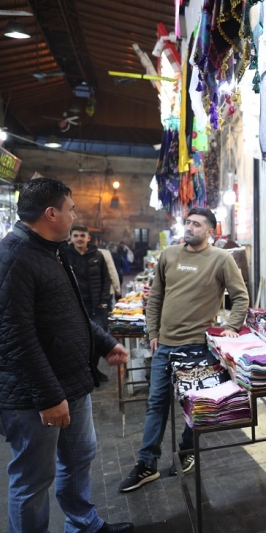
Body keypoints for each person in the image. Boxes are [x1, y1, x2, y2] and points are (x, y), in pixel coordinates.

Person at [0, 177, 133, 533]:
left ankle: (83, 523)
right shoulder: (14, 258)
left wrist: (105, 343)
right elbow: (16, 339)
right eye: (71, 209)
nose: (75, 217)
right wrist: (48, 397)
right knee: (32, 481)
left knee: (80, 457)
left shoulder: (51, 251)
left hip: (70, 385)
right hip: (35, 398)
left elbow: (71, 314)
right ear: (51, 213)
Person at [118, 207, 249, 492]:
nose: (189, 228)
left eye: (197, 224)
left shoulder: (221, 259)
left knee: (195, 405)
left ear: (210, 231)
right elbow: (155, 299)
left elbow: (241, 297)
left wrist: (232, 325)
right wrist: (152, 332)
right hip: (165, 344)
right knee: (156, 404)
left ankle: (188, 450)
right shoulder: (169, 255)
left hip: (198, 347)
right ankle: (147, 464)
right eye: (187, 222)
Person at [68, 224, 113, 385]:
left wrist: (103, 301)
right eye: (76, 235)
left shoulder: (98, 255)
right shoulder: (65, 255)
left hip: (96, 306)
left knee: (98, 339)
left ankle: (93, 368)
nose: (79, 238)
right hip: (75, 306)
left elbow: (106, 279)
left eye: (82, 235)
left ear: (88, 237)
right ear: (71, 238)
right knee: (79, 340)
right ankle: (84, 372)